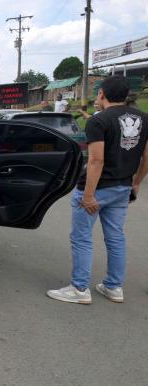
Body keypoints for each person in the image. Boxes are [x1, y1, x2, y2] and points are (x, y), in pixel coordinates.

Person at [47, 76, 148, 304]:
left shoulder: (98, 121)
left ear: (101, 94)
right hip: (122, 187)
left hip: (97, 189)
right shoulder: (144, 119)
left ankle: (79, 289)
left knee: (82, 238)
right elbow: (146, 157)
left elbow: (96, 161)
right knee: (115, 237)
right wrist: (136, 182)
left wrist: (89, 195)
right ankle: (114, 287)